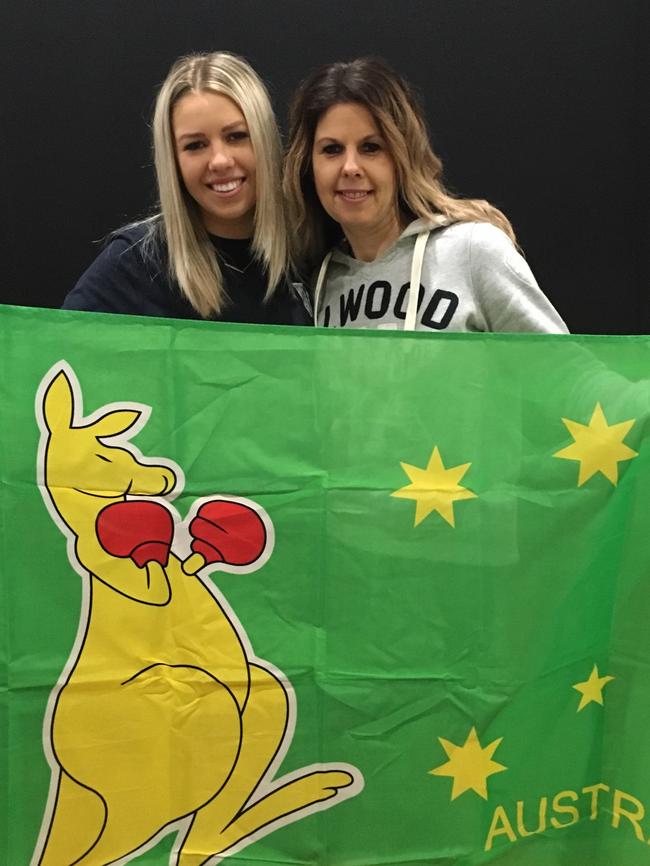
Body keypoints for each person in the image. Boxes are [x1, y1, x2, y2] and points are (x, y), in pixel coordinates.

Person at [283, 58, 567, 333]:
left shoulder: (472, 251)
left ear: (402, 156)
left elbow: (567, 369)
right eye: (331, 149)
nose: (350, 167)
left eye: (371, 147)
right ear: (308, 165)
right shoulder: (322, 282)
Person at [63, 52, 309, 325]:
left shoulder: (310, 247)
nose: (219, 161)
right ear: (173, 161)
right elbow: (60, 352)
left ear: (264, 140)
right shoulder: (136, 264)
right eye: (195, 145)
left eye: (236, 136)